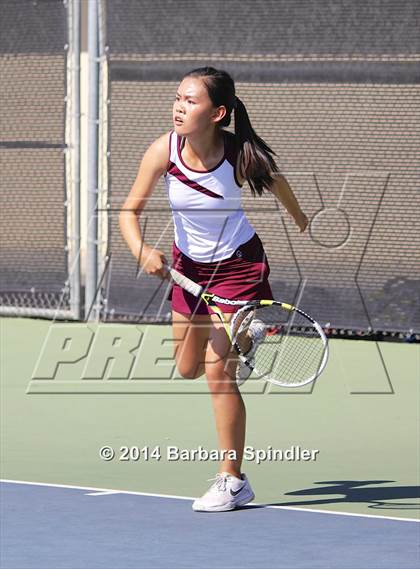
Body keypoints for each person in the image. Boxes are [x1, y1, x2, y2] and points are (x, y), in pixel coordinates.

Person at [119, 67, 308, 512]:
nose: (179, 107)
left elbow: (277, 182)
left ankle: (233, 480)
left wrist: (300, 219)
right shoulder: (163, 150)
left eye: (191, 101)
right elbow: (128, 211)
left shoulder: (238, 154)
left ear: (218, 112)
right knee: (187, 368)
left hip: (238, 268)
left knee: (218, 372)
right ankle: (249, 335)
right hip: (189, 268)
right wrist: (141, 249)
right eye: (177, 98)